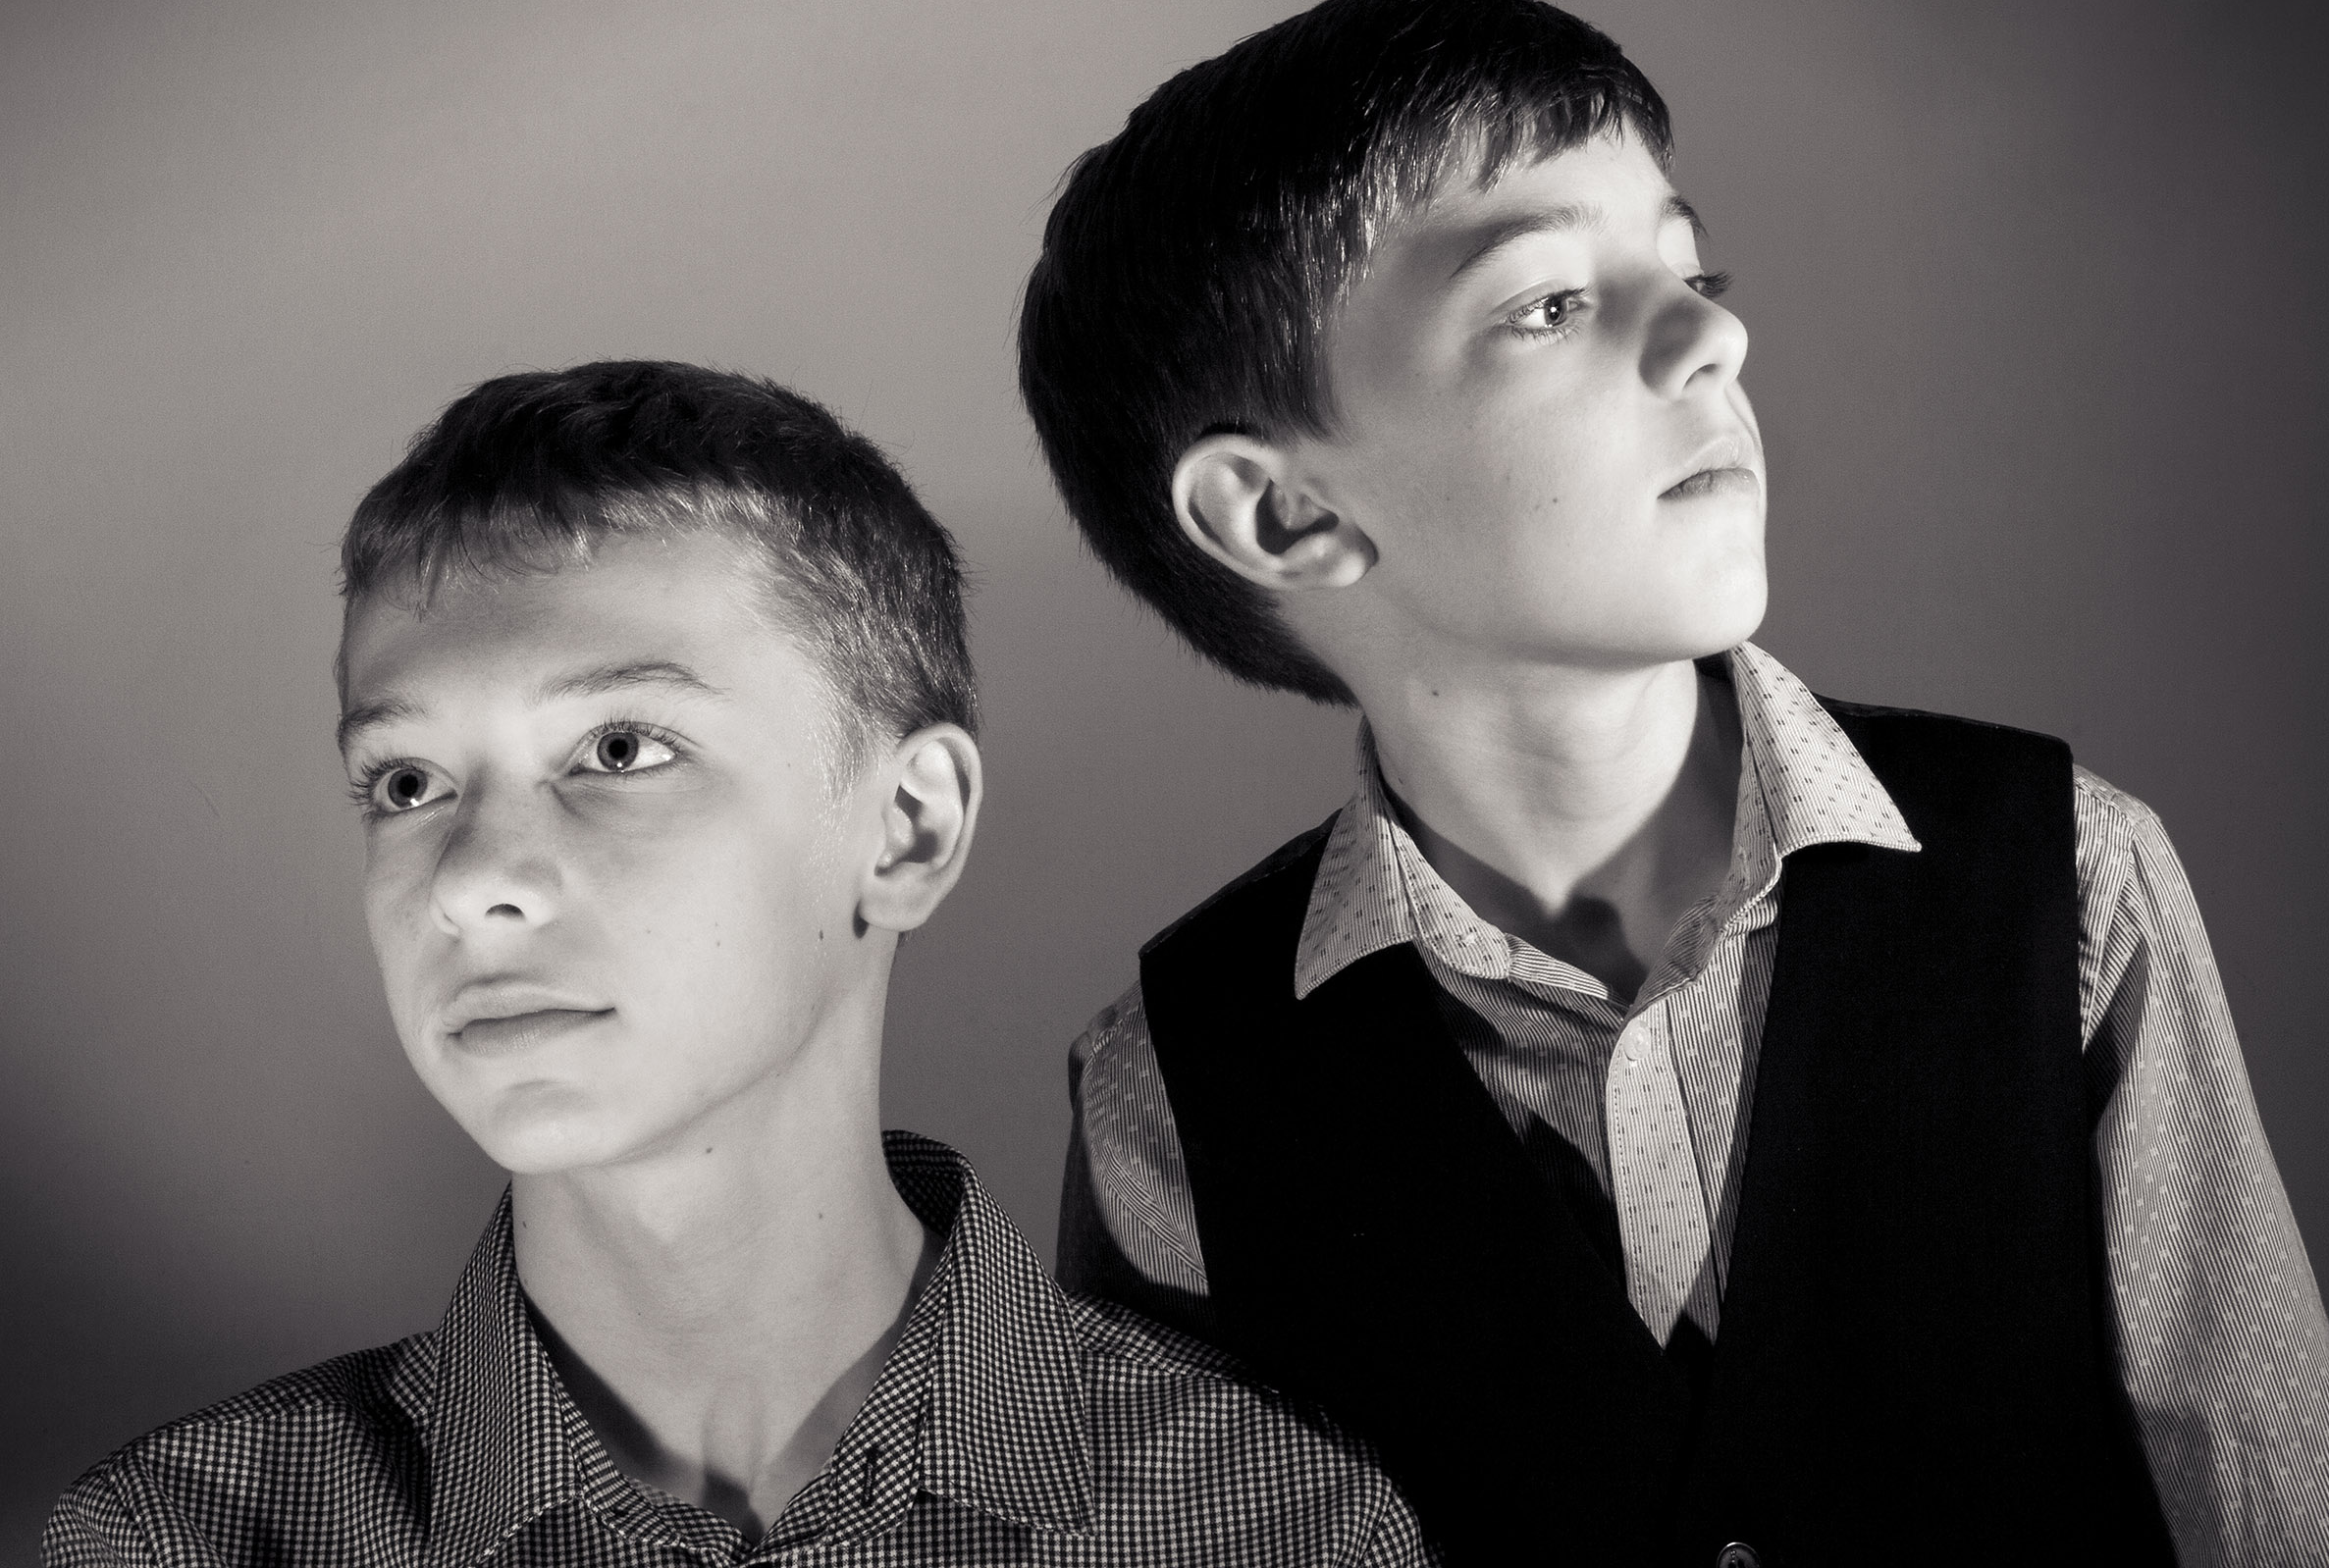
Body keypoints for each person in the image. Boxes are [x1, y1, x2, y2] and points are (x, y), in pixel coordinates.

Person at [1019, 0, 2329, 1567]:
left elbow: (2272, 1503)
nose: (1712, 334)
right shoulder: (1171, 1088)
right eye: (1548, 303)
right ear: (1287, 516)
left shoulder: (2064, 884)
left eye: (1688, 272)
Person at [42, 362, 1432, 1567]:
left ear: (907, 826)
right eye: (406, 782)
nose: (468, 881)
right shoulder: (183, 1539)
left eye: (619, 749)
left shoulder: (1275, 1524)